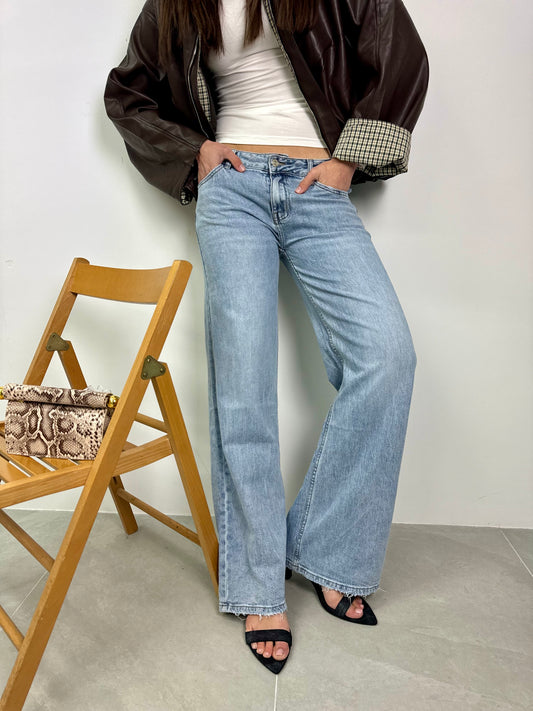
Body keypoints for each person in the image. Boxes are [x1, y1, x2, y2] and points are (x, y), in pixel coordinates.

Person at [105, 0, 429, 674]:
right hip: (233, 189)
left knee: (386, 355)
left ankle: (327, 550)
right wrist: (196, 152)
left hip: (316, 186)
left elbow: (399, 53)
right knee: (243, 384)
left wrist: (348, 160)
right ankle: (257, 585)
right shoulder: (175, 3)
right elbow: (127, 93)